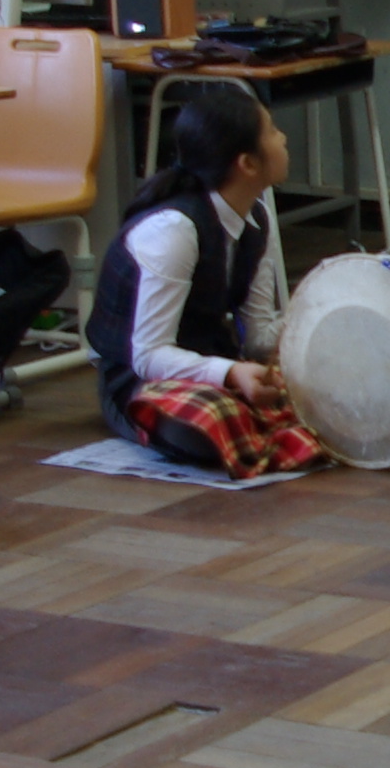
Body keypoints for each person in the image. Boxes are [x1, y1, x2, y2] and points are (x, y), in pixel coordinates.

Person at [87, 82, 320, 476]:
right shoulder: (174, 230)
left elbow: (258, 338)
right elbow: (148, 355)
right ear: (247, 163)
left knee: (314, 388)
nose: (283, 139)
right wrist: (230, 374)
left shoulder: (256, 220)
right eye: (272, 132)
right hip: (138, 381)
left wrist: (316, 308)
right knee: (214, 416)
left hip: (211, 366)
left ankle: (262, 426)